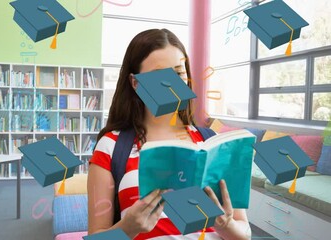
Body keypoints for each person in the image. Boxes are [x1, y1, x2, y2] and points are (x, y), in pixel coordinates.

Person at [87, 29, 251, 239]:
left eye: (178, 73)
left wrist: (226, 225)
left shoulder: (212, 144)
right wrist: (127, 228)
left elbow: (244, 233)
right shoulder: (111, 147)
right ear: (135, 83)